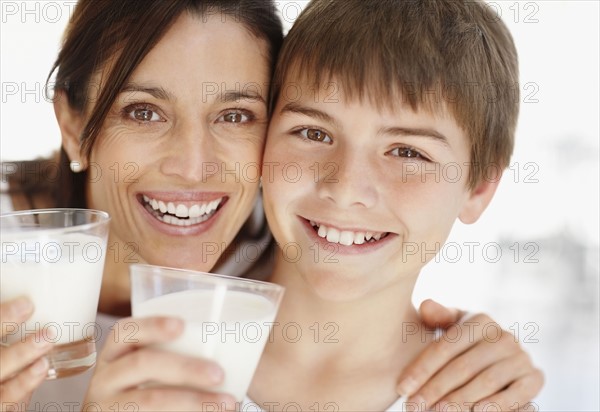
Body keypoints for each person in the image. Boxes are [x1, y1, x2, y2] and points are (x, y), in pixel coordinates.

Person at [0, 0, 541, 410]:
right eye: (143, 111)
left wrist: (490, 359)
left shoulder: (267, 225)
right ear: (74, 125)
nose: (346, 187)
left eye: (235, 116)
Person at [243, 0, 543, 410]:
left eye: (406, 152)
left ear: (478, 190)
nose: (346, 189)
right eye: (313, 133)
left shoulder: (480, 399)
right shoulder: (157, 341)